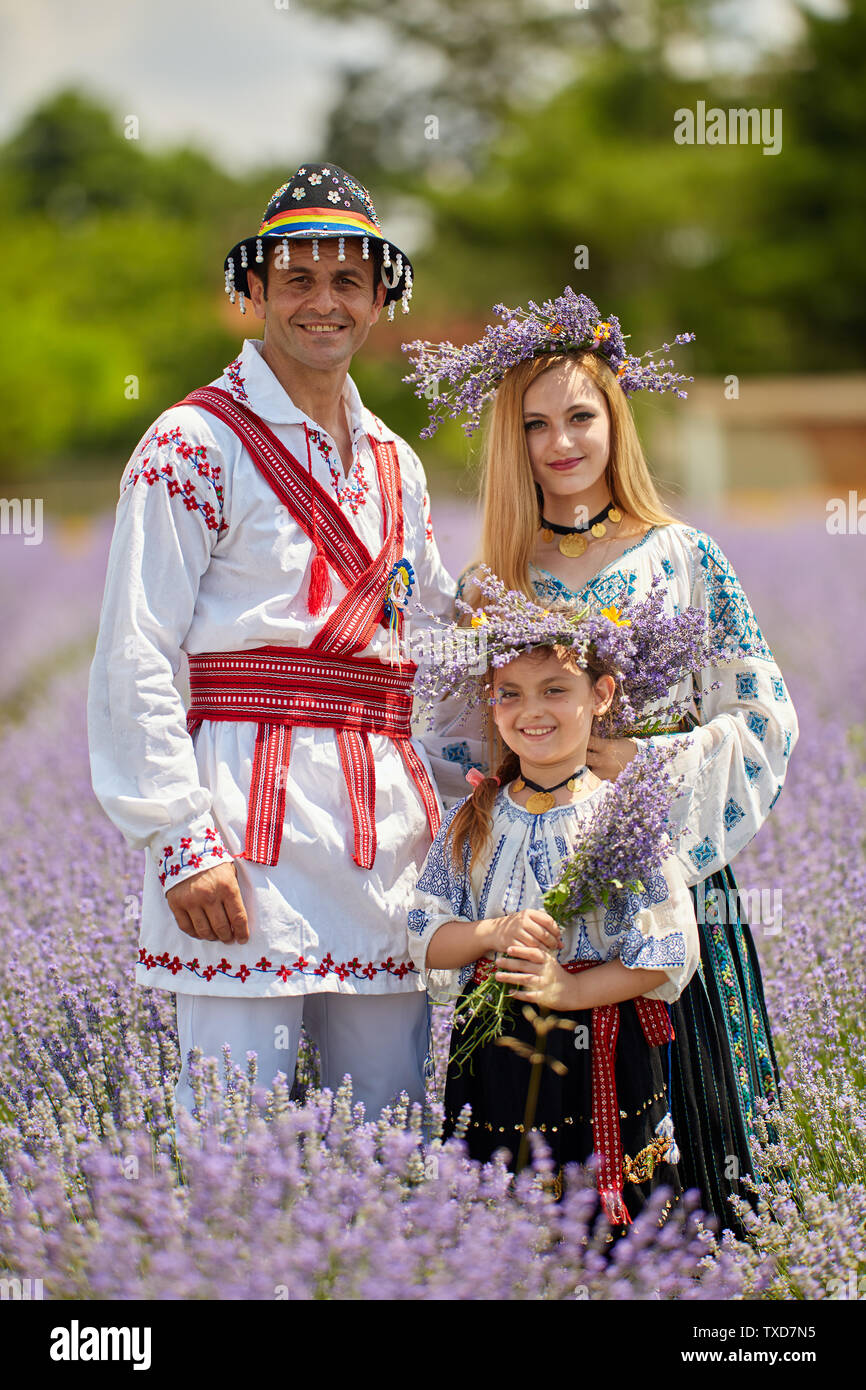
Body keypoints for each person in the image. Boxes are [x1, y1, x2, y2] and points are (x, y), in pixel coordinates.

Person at [404, 287, 799, 1234]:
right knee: (531, 1167)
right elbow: (459, 747)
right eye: (534, 424)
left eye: (579, 416)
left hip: (662, 889)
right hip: (530, 914)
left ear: (614, 420)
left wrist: (627, 765)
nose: (559, 442)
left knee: (681, 1166)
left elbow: (762, 719)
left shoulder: (685, 557)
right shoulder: (491, 576)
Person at [87, 164, 455, 1123]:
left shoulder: (395, 462)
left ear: (380, 299)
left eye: (347, 280)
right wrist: (177, 837)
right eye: (297, 278)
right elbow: (135, 647)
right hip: (240, 836)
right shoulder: (190, 442)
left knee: (390, 1121)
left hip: (384, 845)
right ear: (254, 291)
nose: (322, 302)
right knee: (230, 1130)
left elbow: (437, 647)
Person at [409, 621, 700, 1226]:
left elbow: (663, 952)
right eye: (509, 692)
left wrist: (569, 990)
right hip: (493, 1043)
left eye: (555, 690)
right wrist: (492, 933)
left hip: (599, 1037)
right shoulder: (475, 814)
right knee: (499, 1194)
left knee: (598, 1202)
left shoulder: (623, 818)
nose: (530, 711)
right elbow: (428, 936)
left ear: (602, 695)